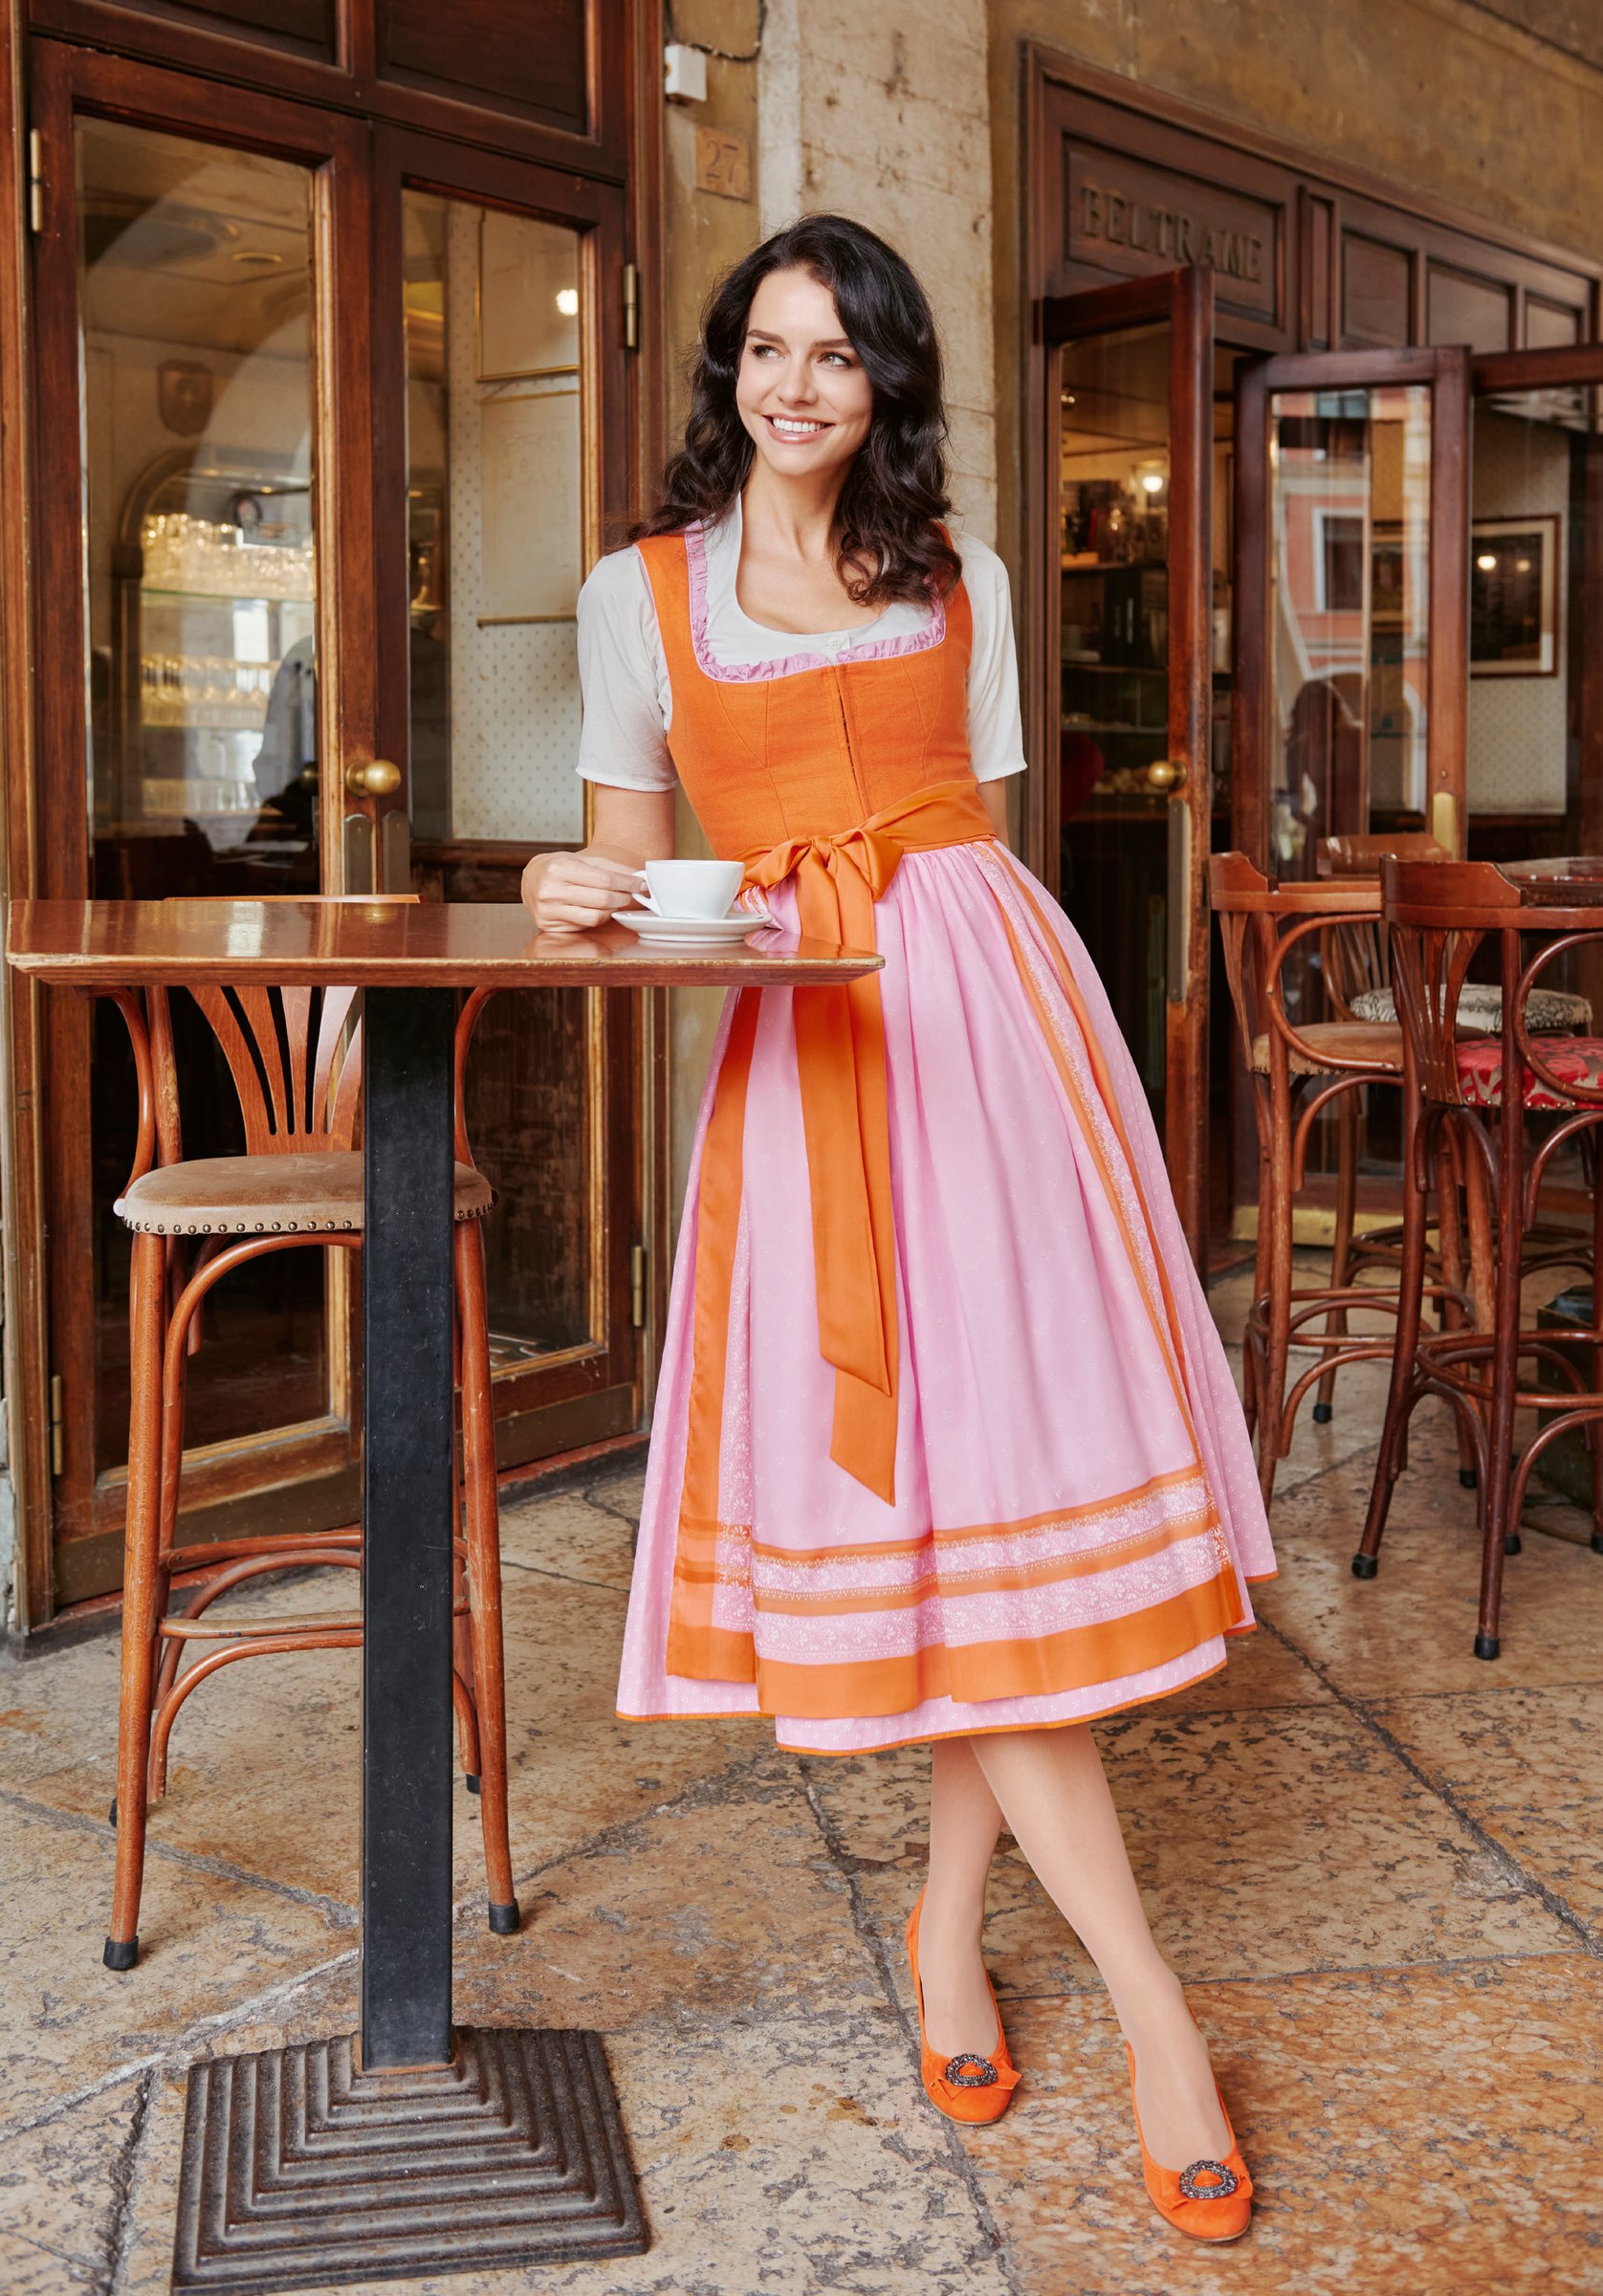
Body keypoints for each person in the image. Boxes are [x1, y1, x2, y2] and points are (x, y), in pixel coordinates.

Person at [521, 215, 1275, 2245]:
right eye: (766, 350)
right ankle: (1145, 2011)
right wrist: (565, 886)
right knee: (922, 1516)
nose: (795, 386)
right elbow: (615, 851)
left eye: (837, 357)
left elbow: (986, 833)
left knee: (987, 1507)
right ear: (725, 371)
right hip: (799, 1053)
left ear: (884, 386)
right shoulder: (633, 593)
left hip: (995, 1041)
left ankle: (993, 1954)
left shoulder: (968, 579)